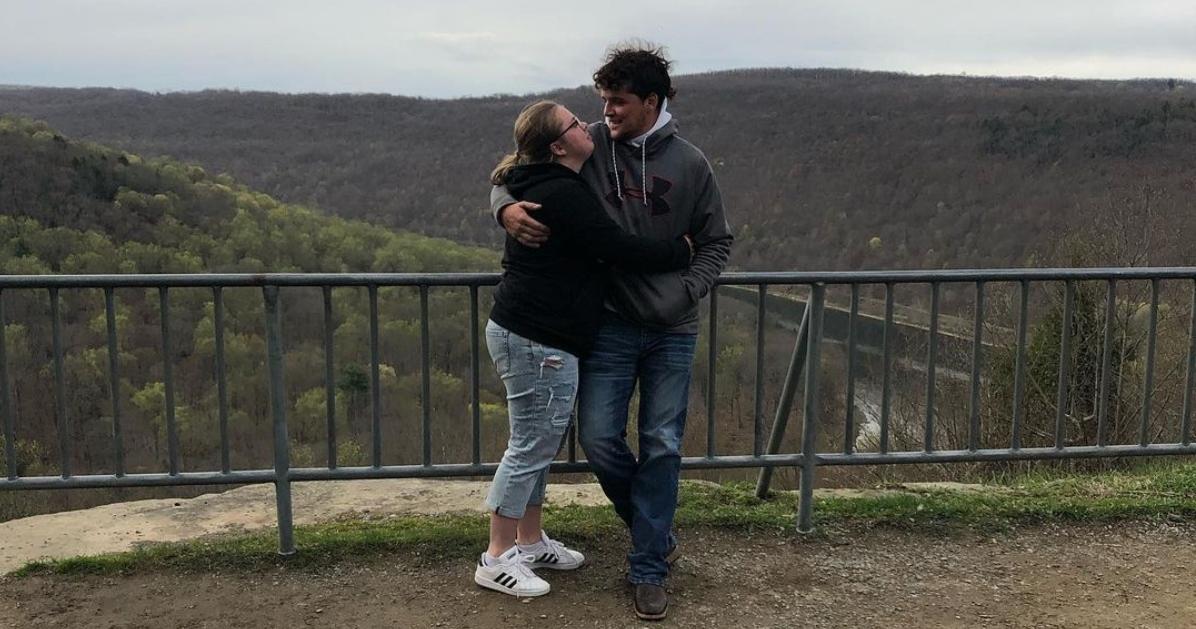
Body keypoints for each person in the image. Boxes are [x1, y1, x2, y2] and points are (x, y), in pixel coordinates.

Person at [490, 43, 733, 620]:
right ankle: (654, 529)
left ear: (652, 102)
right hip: (611, 328)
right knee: (599, 440)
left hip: (674, 329)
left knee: (663, 444)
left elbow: (717, 243)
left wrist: (685, 289)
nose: (606, 113)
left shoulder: (692, 164)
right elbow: (518, 170)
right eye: (601, 101)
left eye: (618, 102)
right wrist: (502, 206)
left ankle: (648, 565)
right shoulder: (590, 148)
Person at [476, 99, 694, 598]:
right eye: (575, 122)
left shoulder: (547, 179)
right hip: (538, 336)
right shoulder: (561, 191)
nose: (587, 124)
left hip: (538, 335)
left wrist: (503, 204)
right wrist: (680, 251)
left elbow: (504, 181)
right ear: (558, 145)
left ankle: (528, 542)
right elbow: (617, 247)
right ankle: (496, 556)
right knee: (529, 446)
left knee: (538, 444)